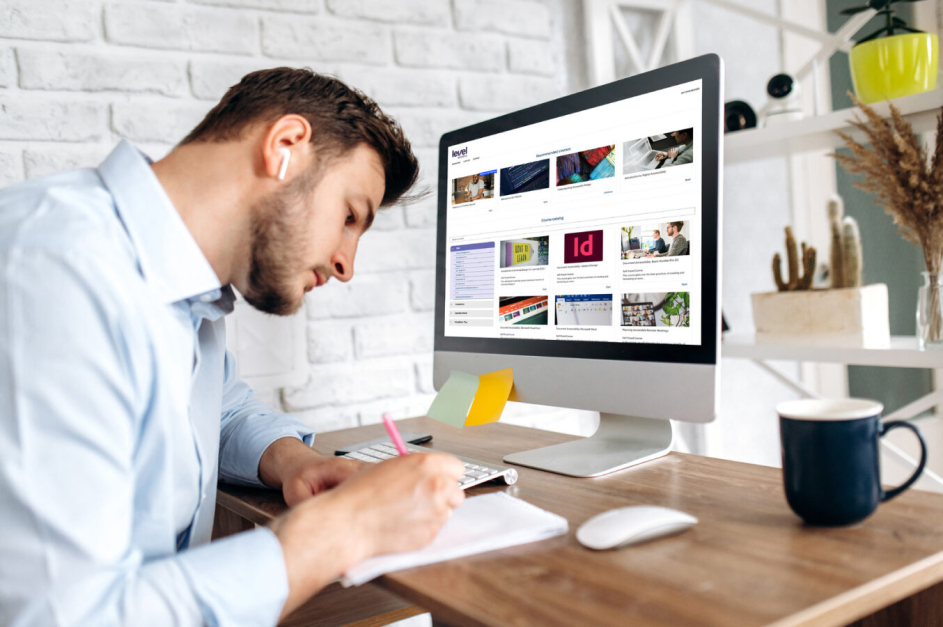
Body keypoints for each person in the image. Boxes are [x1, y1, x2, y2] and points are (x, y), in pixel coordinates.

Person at [0, 68, 466, 626]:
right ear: (286, 146)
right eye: (349, 216)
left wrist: (294, 460)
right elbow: (66, 615)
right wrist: (342, 529)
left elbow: (215, 407)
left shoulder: (183, 293)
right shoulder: (55, 268)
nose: (346, 265)